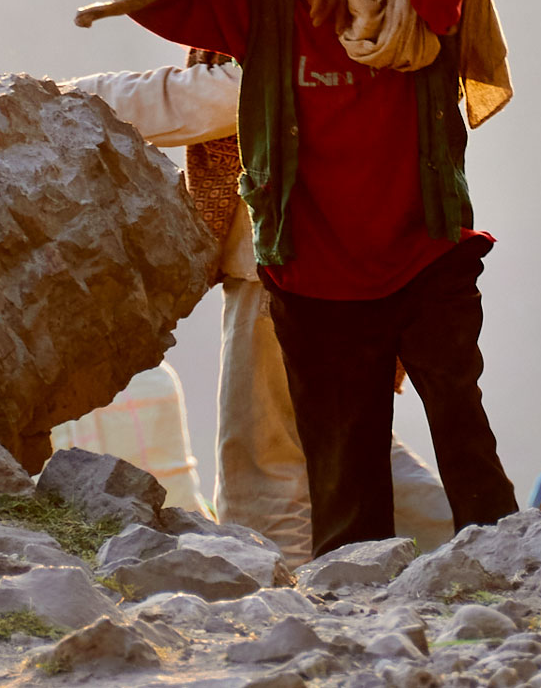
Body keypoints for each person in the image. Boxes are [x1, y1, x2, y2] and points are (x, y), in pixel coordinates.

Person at [104, 0, 518, 558]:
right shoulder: (255, 5)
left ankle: (528, 575)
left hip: (425, 257)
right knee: (342, 480)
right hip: (315, 285)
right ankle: (364, 623)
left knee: (465, 438)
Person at [61, 57, 457, 563]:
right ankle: (473, 550)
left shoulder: (283, 7)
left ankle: (281, 602)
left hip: (282, 257)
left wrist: (71, 97)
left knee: (263, 460)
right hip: (362, 257)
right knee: (340, 441)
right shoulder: (361, 12)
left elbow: (229, 95)